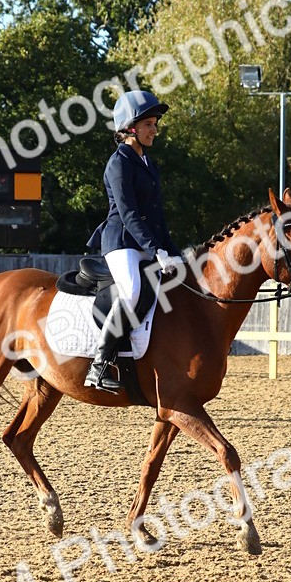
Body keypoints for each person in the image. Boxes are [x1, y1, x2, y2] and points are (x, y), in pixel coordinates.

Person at [84, 90, 184, 392]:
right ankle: (99, 365)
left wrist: (173, 253)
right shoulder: (119, 163)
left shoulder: (148, 163)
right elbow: (129, 214)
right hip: (121, 242)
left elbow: (157, 217)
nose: (155, 130)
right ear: (130, 128)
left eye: (155, 124)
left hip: (146, 243)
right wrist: (156, 251)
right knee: (130, 292)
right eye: (149, 124)